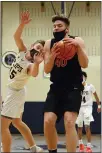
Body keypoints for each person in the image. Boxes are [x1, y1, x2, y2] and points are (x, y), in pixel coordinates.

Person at [43, 14, 89, 153]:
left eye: (59, 26)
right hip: (56, 87)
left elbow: (85, 64)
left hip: (73, 87)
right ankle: (52, 151)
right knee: (48, 121)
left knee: (69, 122)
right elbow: (46, 69)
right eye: (54, 26)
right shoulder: (48, 43)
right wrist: (53, 55)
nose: (56, 28)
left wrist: (78, 48)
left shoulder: (77, 40)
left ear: (67, 29)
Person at [1, 11, 45, 153]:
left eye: (41, 51)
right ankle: (34, 147)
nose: (38, 50)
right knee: (17, 122)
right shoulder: (22, 51)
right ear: (32, 45)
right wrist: (22, 24)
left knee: (2, 127)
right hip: (15, 90)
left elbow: (34, 73)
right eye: (38, 47)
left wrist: (38, 64)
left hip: (15, 93)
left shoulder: (31, 65)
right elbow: (16, 36)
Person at [76, 71, 101, 152]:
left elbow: (96, 96)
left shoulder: (90, 86)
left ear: (85, 78)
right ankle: (81, 145)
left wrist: (99, 105)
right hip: (79, 108)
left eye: (83, 76)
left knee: (87, 126)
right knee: (79, 127)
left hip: (88, 107)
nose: (81, 78)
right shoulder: (77, 87)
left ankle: (89, 147)